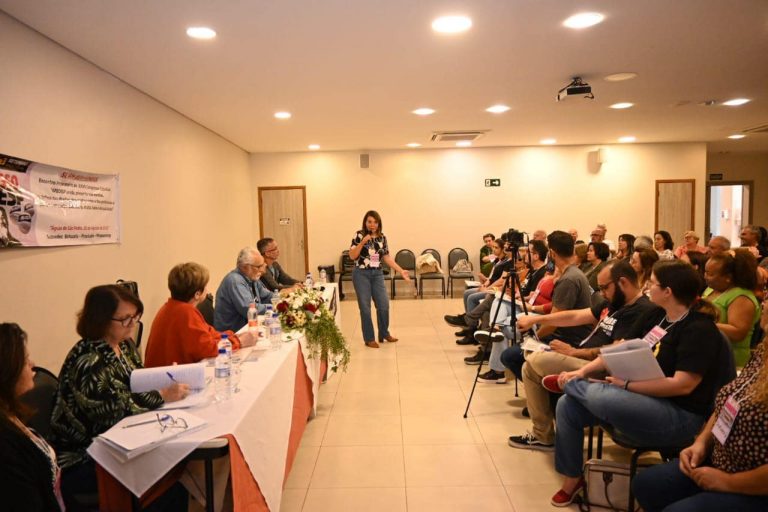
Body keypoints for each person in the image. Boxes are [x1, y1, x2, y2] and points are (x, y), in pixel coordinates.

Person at [547, 261, 725, 507]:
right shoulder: (656, 314)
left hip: (678, 415)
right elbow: (619, 348)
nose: (647, 287)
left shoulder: (699, 329)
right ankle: (572, 480)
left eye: (652, 283)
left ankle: (573, 385)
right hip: (639, 399)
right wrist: (582, 371)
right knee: (567, 405)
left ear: (668, 291)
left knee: (604, 396)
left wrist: (627, 385)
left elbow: (682, 385)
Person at [50, 285, 189, 510]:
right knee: (170, 487)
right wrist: (163, 395)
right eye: (125, 319)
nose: (132, 324)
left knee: (175, 471)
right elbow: (113, 413)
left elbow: (138, 383)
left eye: (135, 317)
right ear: (101, 320)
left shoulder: (123, 346)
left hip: (117, 441)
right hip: (85, 456)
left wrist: (164, 381)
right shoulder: (88, 361)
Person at [632, 298, 768, 512]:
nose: (765, 305)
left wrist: (727, 482)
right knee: (647, 485)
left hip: (753, 485)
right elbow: (730, 402)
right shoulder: (762, 351)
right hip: (720, 460)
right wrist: (702, 443)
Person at [509, 261, 661, 450]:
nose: (601, 293)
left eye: (604, 287)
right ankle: (543, 435)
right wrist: (537, 319)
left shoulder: (640, 310)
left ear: (623, 282)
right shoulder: (615, 303)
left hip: (603, 370)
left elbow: (616, 352)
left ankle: (559, 390)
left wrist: (574, 352)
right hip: (582, 357)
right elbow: (575, 316)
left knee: (536, 359)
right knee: (529, 367)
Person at [0, 323, 64, 511]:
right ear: (8, 372)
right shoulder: (5, 446)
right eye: (25, 360)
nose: (33, 364)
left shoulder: (11, 413)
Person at [145, 262, 255, 367]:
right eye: (205, 286)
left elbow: (209, 334)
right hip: (170, 377)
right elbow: (208, 349)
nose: (207, 289)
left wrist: (233, 337)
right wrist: (239, 341)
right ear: (197, 294)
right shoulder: (185, 312)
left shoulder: (170, 307)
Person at [349, 210, 410, 348]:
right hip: (361, 274)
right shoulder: (359, 235)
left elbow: (386, 257)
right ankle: (369, 338)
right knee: (365, 308)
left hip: (377, 274)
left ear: (379, 223)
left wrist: (401, 270)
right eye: (369, 222)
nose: (372, 225)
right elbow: (352, 256)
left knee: (383, 305)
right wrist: (362, 242)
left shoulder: (382, 238)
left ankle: (384, 333)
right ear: (365, 222)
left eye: (375, 222)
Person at [703, 251, 760, 367]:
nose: (705, 276)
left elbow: (737, 332)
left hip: (730, 360)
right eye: (705, 272)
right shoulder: (710, 289)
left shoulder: (741, 296)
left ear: (728, 277)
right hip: (709, 354)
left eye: (710, 274)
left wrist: (701, 323)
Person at [214, 247, 277, 332]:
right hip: (232, 333)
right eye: (258, 266)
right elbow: (249, 309)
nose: (262, 270)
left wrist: (282, 300)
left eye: (262, 265)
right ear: (245, 267)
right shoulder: (235, 281)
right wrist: (275, 307)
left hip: (249, 328)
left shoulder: (252, 277)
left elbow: (267, 296)